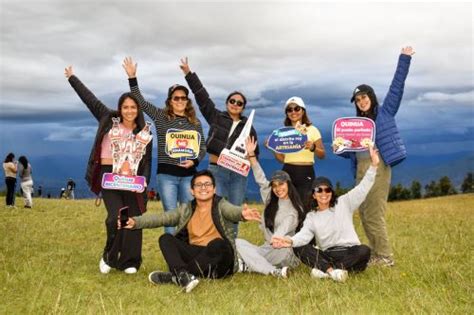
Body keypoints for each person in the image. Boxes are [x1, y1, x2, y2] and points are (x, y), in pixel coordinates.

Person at [65, 65, 152, 274]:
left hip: (132, 178)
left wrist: (144, 182)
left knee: (133, 216)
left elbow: (147, 161)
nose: (129, 111)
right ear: (119, 109)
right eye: (125, 107)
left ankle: (130, 261)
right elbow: (90, 99)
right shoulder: (107, 118)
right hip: (109, 175)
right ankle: (109, 256)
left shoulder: (144, 132)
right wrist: (72, 78)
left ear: (138, 109)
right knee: (116, 216)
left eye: (133, 107)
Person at [336, 46, 415, 267]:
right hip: (360, 169)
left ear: (371, 97)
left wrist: (404, 59)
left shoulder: (386, 112)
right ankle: (377, 254)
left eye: (364, 97)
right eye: (357, 100)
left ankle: (385, 257)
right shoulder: (357, 126)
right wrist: (339, 146)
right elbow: (350, 152)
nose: (361, 101)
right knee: (363, 211)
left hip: (378, 167)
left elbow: (397, 87)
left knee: (374, 212)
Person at [121, 170, 261, 293]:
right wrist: (135, 222)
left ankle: (177, 276)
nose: (203, 188)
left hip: (219, 263)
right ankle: (183, 276)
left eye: (207, 184)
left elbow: (232, 211)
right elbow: (162, 218)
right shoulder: (186, 209)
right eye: (199, 185)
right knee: (165, 239)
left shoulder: (221, 205)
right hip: (195, 255)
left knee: (218, 244)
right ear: (192, 191)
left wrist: (242, 214)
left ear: (214, 189)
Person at [123, 57, 206, 235]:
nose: (180, 101)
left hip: (189, 175)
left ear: (187, 101)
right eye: (176, 98)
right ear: (170, 100)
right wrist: (132, 78)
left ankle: (186, 248)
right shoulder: (161, 117)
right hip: (167, 175)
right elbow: (141, 102)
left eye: (183, 98)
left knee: (188, 214)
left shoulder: (195, 123)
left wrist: (195, 161)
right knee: (170, 215)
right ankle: (172, 253)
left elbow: (203, 147)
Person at [272, 145, 379, 282]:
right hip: (327, 254)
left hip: (350, 252)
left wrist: (374, 165)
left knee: (364, 250)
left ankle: (325, 271)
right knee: (299, 247)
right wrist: (290, 241)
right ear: (314, 195)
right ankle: (333, 272)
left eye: (327, 190)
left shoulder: (344, 203)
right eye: (319, 190)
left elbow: (363, 188)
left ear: (331, 192)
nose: (324, 194)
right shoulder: (312, 216)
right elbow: (304, 236)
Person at [179, 57, 259, 237]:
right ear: (227, 103)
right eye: (233, 101)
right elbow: (202, 97)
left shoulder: (249, 127)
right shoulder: (216, 117)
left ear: (243, 107)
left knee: (235, 212)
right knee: (215, 209)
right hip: (216, 171)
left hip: (239, 174)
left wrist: (251, 155)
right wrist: (188, 73)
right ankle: (213, 244)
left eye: (240, 103)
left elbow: (254, 154)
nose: (235, 104)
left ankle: (231, 248)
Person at [235, 137, 305, 278]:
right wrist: (252, 156)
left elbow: (283, 229)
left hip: (284, 250)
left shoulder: (295, 210)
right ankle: (255, 266)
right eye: (275, 185)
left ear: (288, 185)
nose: (278, 189)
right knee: (237, 242)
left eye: (281, 184)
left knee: (281, 249)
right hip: (267, 248)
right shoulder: (271, 198)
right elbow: (261, 179)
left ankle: (263, 268)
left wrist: (277, 238)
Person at [269, 96, 325, 202]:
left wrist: (313, 147)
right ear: (287, 113)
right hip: (287, 171)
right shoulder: (282, 133)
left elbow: (322, 155)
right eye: (289, 110)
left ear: (303, 111)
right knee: (285, 204)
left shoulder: (313, 130)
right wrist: (273, 148)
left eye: (297, 108)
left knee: (305, 205)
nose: (293, 112)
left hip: (306, 173)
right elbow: (282, 159)